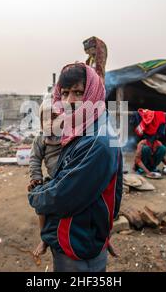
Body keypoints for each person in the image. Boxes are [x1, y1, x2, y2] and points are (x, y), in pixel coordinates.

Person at [28, 63, 123, 272]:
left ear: (93, 93)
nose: (70, 101)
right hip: (86, 234)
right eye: (64, 93)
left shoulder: (95, 140)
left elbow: (62, 196)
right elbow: (116, 191)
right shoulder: (81, 127)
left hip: (75, 239)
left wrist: (35, 196)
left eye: (78, 93)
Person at [28, 101, 62, 258]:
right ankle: (44, 239)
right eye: (45, 118)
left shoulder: (69, 135)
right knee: (41, 205)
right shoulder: (41, 139)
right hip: (52, 179)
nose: (50, 122)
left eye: (54, 117)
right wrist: (36, 178)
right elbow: (35, 159)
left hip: (69, 179)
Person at [133, 108, 166, 178]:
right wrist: (148, 172)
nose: (153, 138)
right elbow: (137, 160)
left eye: (154, 136)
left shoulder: (157, 143)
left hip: (151, 165)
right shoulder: (142, 143)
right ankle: (142, 169)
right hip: (142, 165)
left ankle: (152, 168)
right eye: (151, 136)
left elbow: (162, 156)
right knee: (146, 149)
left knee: (163, 148)